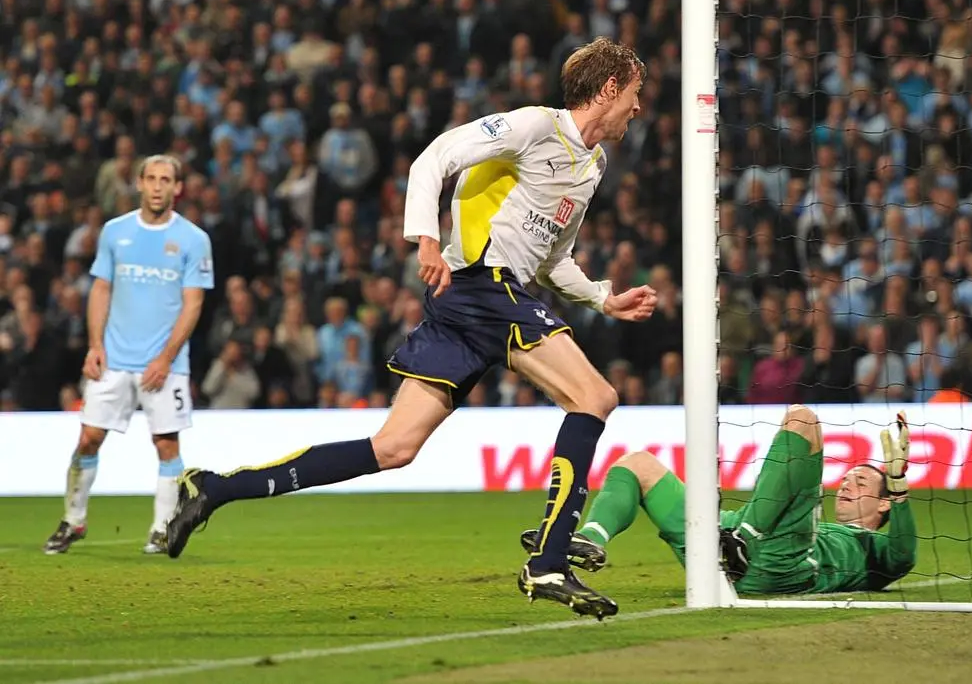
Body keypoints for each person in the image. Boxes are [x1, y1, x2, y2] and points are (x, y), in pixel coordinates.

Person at [166, 38, 657, 620]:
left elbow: (553, 258)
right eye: (634, 93)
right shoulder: (533, 127)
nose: (638, 106)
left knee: (393, 448)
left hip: (484, 299)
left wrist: (603, 298)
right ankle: (548, 561)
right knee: (595, 396)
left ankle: (216, 488)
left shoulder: (592, 165)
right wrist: (426, 235)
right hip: (479, 283)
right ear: (608, 89)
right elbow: (435, 158)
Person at [521, 406, 916, 595]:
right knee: (638, 464)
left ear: (883, 505)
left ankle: (739, 537)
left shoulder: (870, 549)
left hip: (784, 561)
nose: (846, 484)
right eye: (846, 478)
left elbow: (903, 556)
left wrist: (897, 485)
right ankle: (592, 537)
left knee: (803, 418)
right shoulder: (821, 523)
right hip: (728, 533)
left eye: (861, 481)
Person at [43, 155, 214, 555]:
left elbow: (193, 305)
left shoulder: (193, 239)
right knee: (88, 438)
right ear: (138, 183)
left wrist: (166, 358)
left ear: (178, 188)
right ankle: (72, 520)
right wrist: (95, 345)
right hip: (114, 359)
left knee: (167, 445)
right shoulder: (114, 232)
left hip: (165, 365)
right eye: (151, 178)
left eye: (166, 180)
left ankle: (161, 528)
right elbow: (101, 290)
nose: (157, 186)